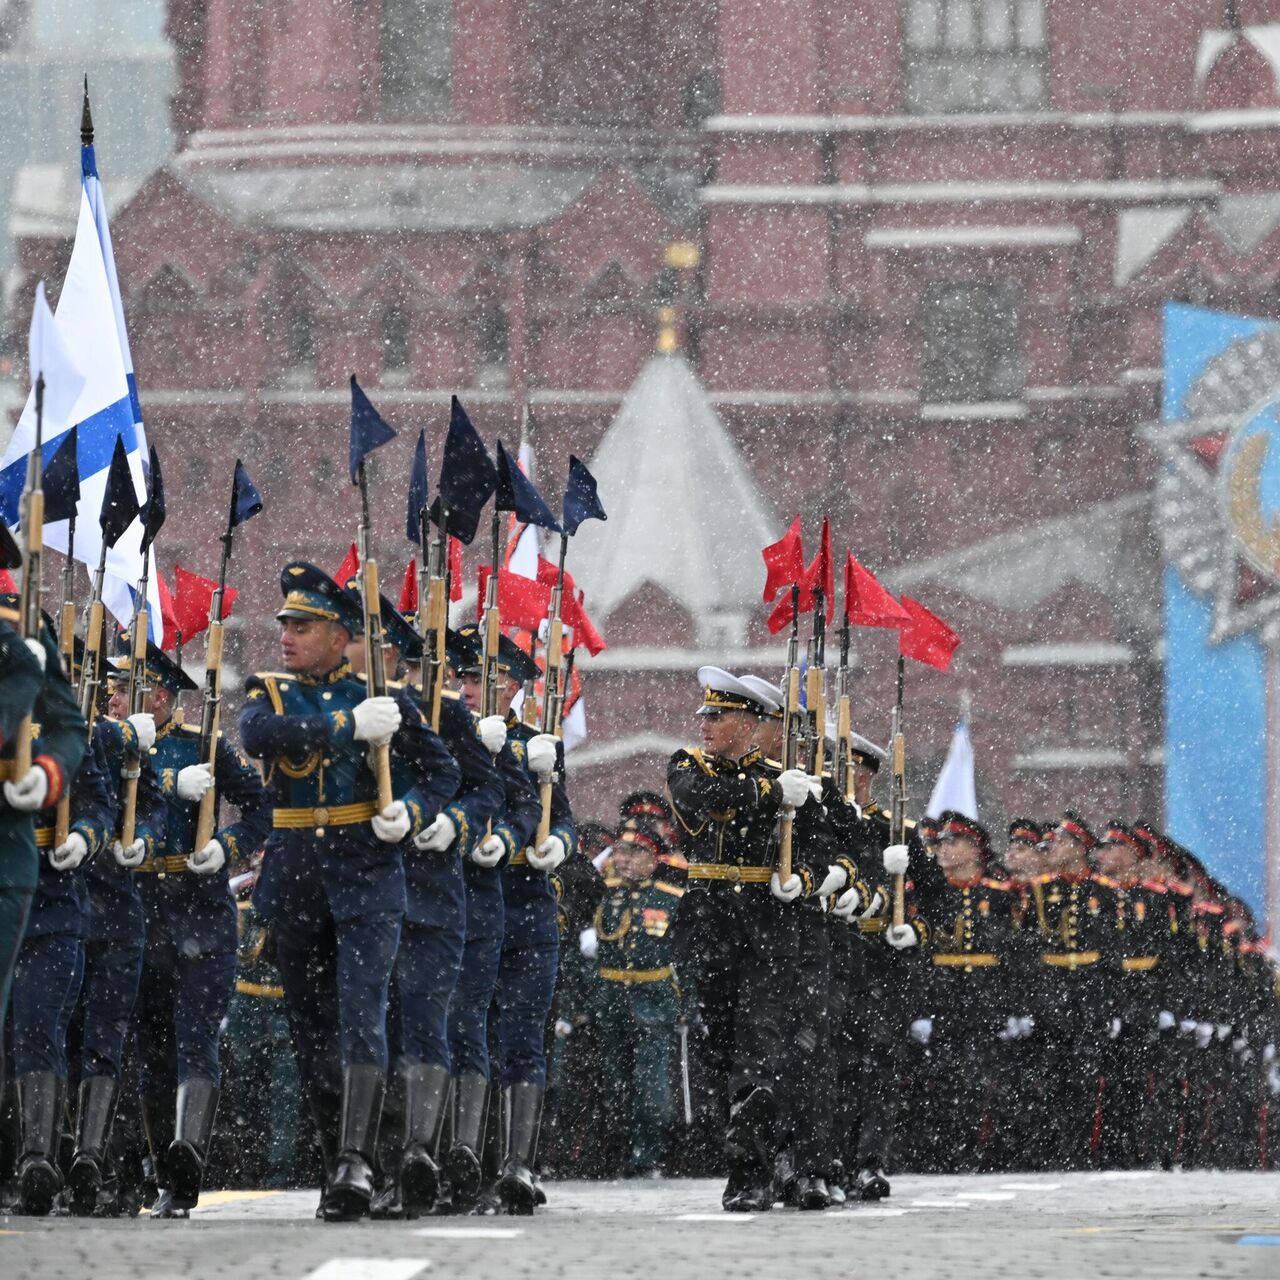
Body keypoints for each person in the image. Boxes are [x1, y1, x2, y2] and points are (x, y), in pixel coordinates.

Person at [239, 561, 461, 1222]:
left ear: (339, 636)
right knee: (313, 1033)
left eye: (302, 626)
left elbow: (441, 772)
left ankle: (360, 1162)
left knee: (364, 1018)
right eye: (285, 624)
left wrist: (412, 813)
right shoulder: (272, 692)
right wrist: (345, 729)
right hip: (297, 881)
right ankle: (339, 1159)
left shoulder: (387, 698)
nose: (287, 636)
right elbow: (257, 736)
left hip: (367, 877)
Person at [339, 593, 506, 1219]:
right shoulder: (338, 713)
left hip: (432, 894)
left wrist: (456, 821)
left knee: (427, 1028)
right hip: (363, 892)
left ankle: (417, 1158)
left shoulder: (440, 714)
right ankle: (374, 1164)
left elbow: (488, 787)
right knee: (368, 1030)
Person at [117, 642, 269, 1217]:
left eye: (127, 686)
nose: (113, 696)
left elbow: (261, 808)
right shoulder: (119, 743)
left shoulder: (201, 745)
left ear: (158, 696)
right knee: (151, 1050)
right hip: (141, 908)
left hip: (199, 906)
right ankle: (159, 1174)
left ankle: (187, 1169)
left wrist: (225, 846)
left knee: (194, 1039)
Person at [665, 667, 819, 1212]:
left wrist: (820, 871)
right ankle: (761, 1157)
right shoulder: (688, 765)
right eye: (705, 715)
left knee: (762, 1046)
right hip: (709, 921)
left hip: (765, 923)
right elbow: (703, 796)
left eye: (719, 716)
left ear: (751, 724)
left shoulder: (789, 779)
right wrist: (769, 790)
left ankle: (751, 1170)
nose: (705, 725)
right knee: (717, 1050)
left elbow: (832, 843)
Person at [453, 624, 567, 1215]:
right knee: (466, 1032)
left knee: (522, 1036)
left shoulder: (538, 745)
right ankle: (466, 1162)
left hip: (525, 903)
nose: (471, 688)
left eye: (485, 679)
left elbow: (562, 819)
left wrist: (560, 846)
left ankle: (519, 1164)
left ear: (515, 687)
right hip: (467, 900)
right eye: (467, 677)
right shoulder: (447, 734)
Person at [2, 606, 100, 1215]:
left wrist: (49, 775)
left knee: (34, 1027)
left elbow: (71, 734)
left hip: (25, 867)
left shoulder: (19, 628)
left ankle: (38, 1156)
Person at [589, 816, 684, 1177]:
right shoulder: (605, 893)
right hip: (611, 997)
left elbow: (684, 957)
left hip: (653, 998)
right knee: (613, 1081)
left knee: (651, 1084)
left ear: (654, 858)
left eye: (636, 851)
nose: (625, 859)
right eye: (622, 851)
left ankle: (648, 1155)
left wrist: (688, 1006)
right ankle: (618, 1151)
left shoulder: (669, 899)